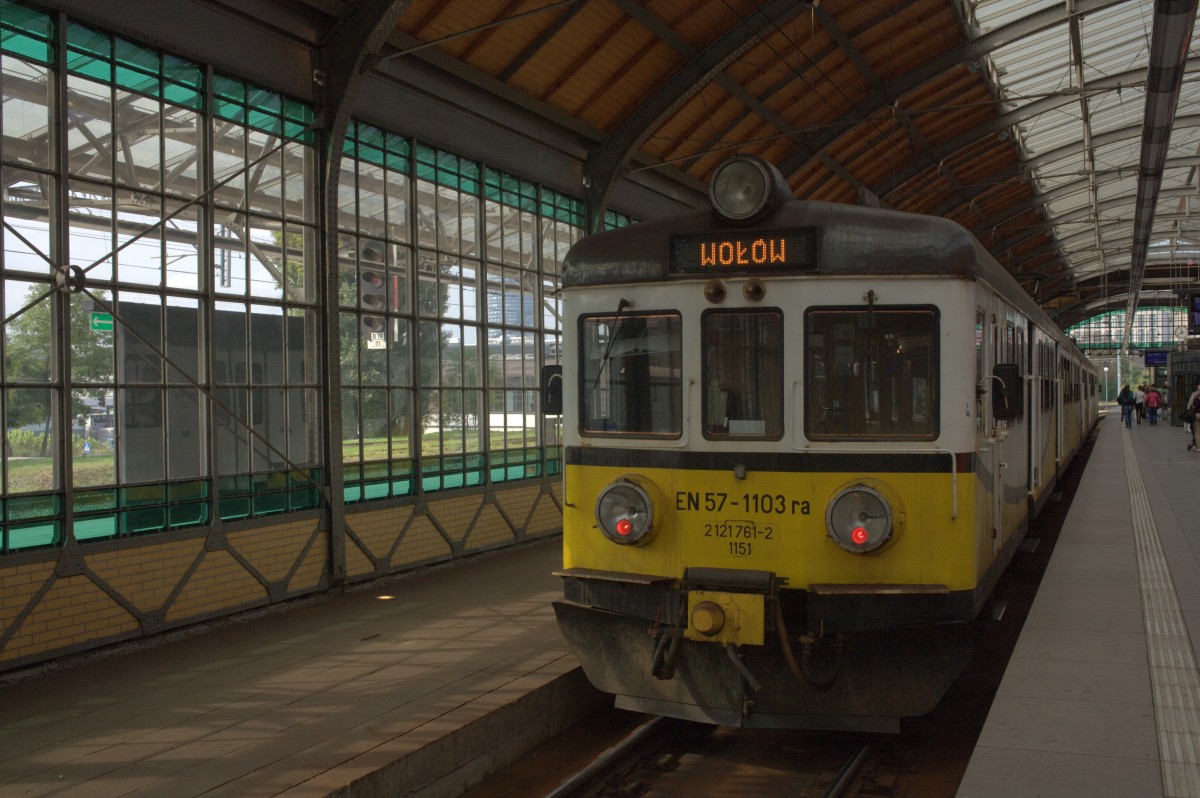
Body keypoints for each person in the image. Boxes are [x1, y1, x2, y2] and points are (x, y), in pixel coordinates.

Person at [1187, 383, 1200, 451]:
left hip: (1196, 415)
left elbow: (1189, 406)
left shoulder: (1194, 395)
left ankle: (1198, 447)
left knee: (1197, 432)